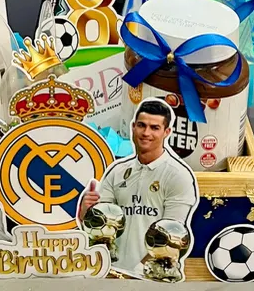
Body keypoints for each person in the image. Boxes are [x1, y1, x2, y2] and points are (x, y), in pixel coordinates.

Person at [78, 99, 198, 276]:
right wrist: (85, 213)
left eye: (154, 128)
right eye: (142, 125)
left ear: (167, 132)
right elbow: (101, 229)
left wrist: (136, 272)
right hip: (110, 273)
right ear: (133, 127)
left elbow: (171, 237)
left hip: (151, 276)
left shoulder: (178, 175)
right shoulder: (117, 171)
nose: (146, 133)